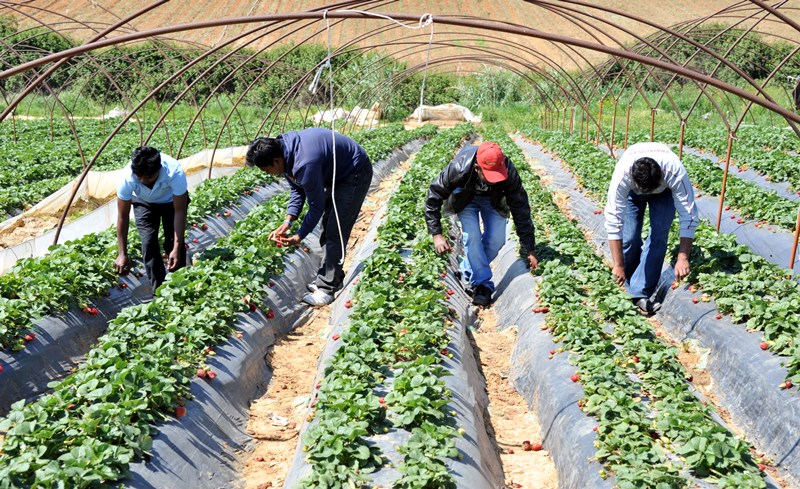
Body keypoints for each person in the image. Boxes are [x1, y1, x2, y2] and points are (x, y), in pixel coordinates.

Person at [246, 128, 373, 307]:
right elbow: (297, 189)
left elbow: (316, 206)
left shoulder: (304, 162)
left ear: (276, 161)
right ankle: (330, 278)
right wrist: (287, 221)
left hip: (354, 172)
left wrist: (299, 236)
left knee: (335, 228)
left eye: (267, 170)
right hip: (337, 173)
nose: (269, 174)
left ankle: (327, 289)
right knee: (328, 225)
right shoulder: (284, 150)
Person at [425, 141, 538, 307]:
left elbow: (520, 207)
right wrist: (436, 234)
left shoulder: (508, 172)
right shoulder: (459, 168)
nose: (494, 179)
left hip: (493, 199)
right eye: (489, 175)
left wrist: (529, 248)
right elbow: (433, 196)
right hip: (466, 197)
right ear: (477, 168)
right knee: (472, 237)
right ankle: (483, 285)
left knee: (497, 239)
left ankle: (466, 270)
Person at [605, 141, 699, 314]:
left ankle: (640, 292)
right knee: (630, 237)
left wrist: (683, 257)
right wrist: (618, 264)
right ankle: (629, 283)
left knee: (659, 236)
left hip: (664, 193)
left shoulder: (674, 172)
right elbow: (613, 219)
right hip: (633, 193)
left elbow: (689, 216)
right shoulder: (623, 175)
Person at [115, 146, 189, 294]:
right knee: (148, 242)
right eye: (139, 177)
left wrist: (176, 247)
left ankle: (181, 287)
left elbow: (180, 211)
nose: (143, 181)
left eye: (148, 177)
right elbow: (122, 216)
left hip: (170, 203)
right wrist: (122, 252)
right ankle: (159, 290)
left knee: (173, 243)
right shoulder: (126, 178)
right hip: (144, 203)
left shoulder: (174, 172)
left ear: (159, 169)